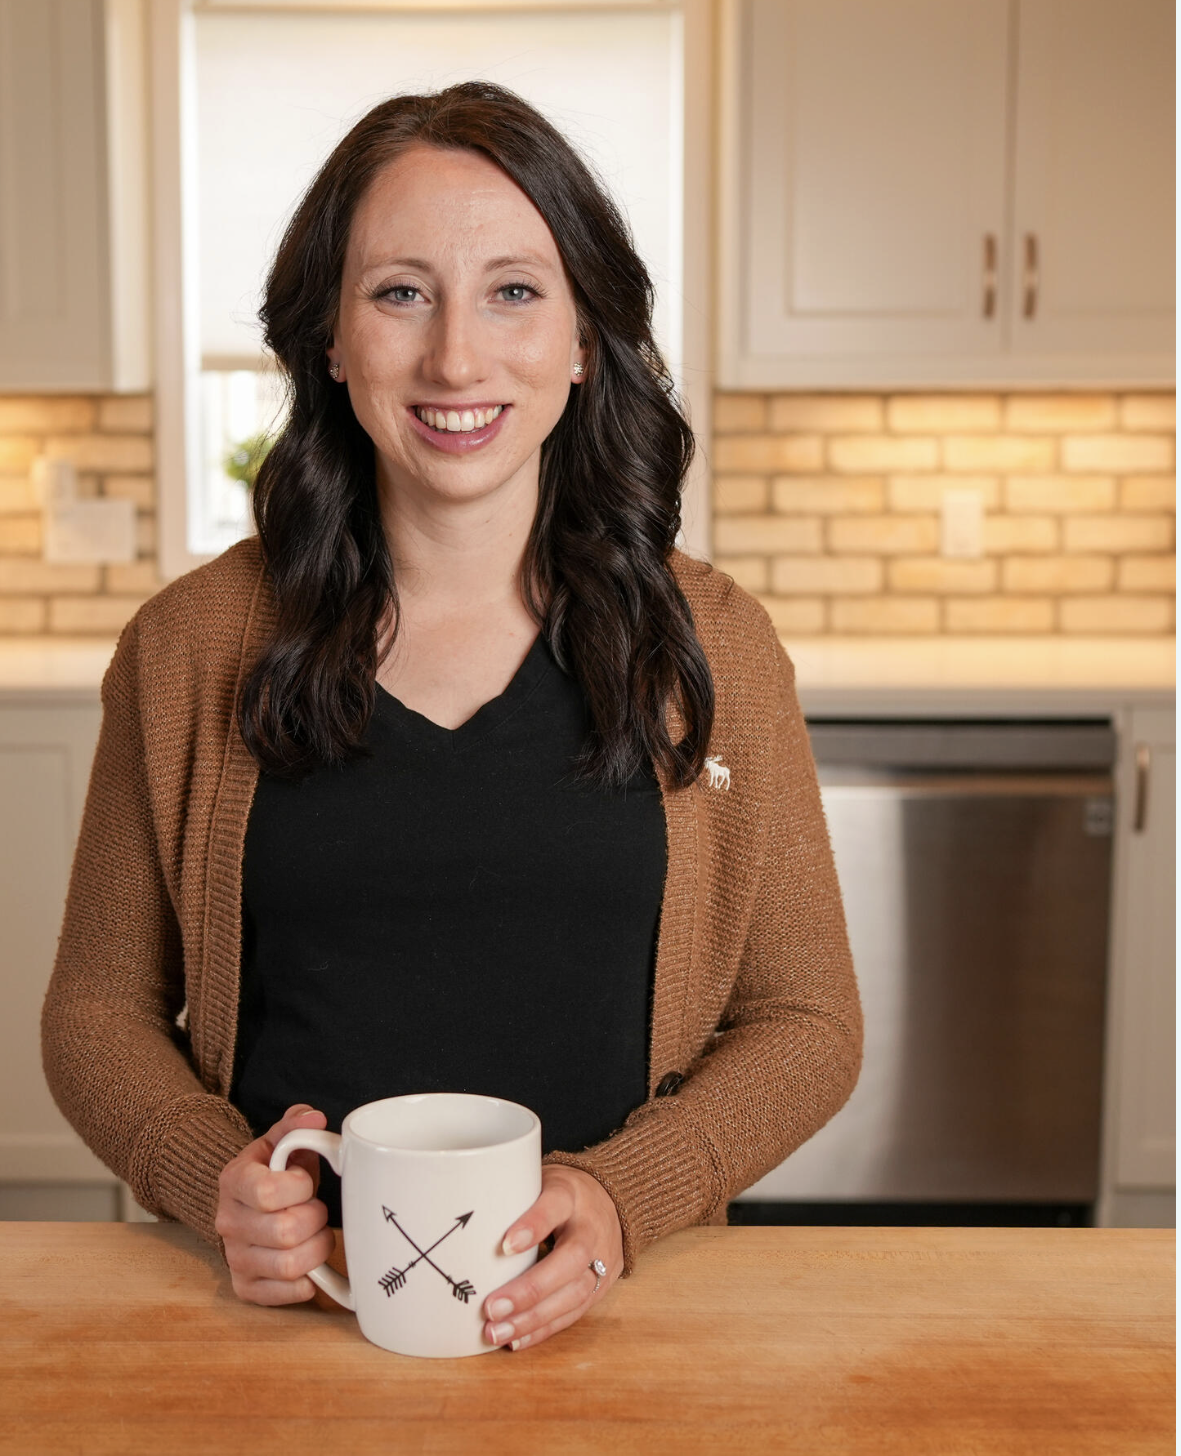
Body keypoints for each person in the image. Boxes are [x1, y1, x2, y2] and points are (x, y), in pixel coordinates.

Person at [43, 82, 861, 1354]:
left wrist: (620, 1195)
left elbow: (806, 1019)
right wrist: (214, 1179)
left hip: (611, 1320)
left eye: (514, 291)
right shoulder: (190, 648)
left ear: (586, 337)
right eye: (399, 292)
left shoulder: (710, 648)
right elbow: (97, 1009)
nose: (456, 359)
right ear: (330, 338)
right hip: (283, 1325)